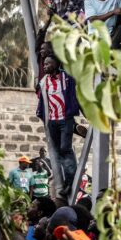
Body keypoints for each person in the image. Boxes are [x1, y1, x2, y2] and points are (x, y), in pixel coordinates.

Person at [36, 55, 80, 197]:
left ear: (56, 64)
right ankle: (67, 178)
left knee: (65, 148)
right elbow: (42, 99)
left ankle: (71, 180)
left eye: (48, 63)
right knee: (58, 152)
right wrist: (41, 114)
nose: (45, 66)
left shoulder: (66, 78)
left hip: (65, 119)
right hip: (52, 121)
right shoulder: (44, 82)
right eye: (44, 64)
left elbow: (74, 93)